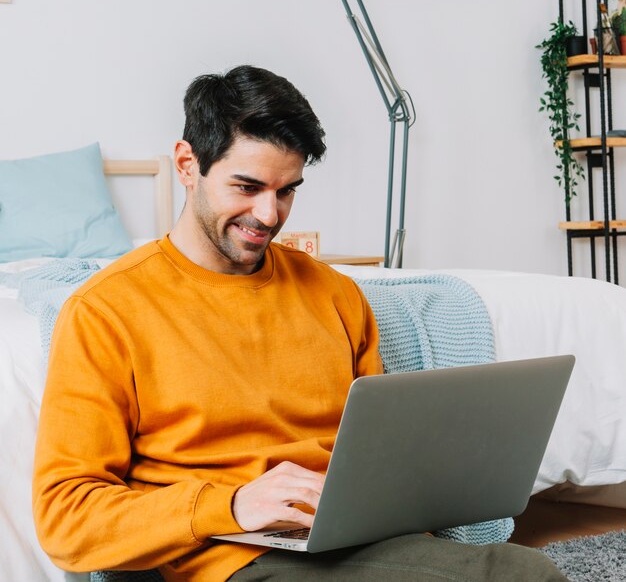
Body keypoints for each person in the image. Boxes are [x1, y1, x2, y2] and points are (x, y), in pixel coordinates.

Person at [33, 65, 568, 582]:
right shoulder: (106, 310)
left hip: (357, 541)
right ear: (187, 164)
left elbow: (382, 453)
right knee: (523, 575)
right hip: (239, 559)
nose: (268, 215)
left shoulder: (334, 292)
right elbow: (66, 519)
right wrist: (234, 505)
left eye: (286, 190)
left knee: (519, 572)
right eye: (247, 187)